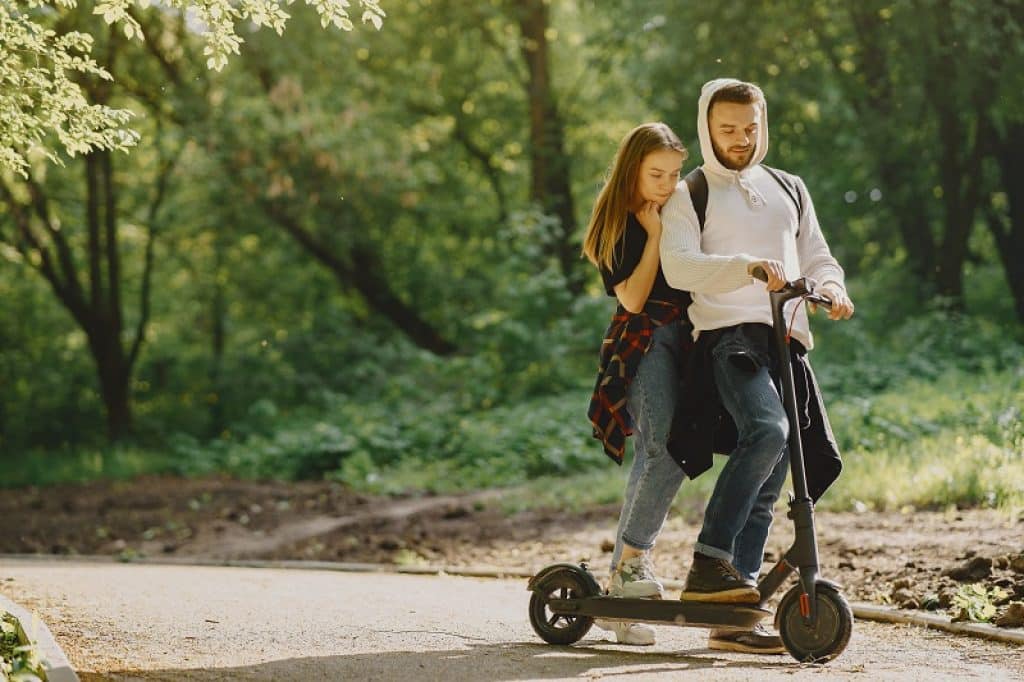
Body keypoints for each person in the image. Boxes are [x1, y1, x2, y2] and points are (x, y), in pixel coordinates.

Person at [658, 78, 855, 654]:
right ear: (707, 128)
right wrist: (746, 267)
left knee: (775, 471)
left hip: (786, 337)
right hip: (729, 336)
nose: (741, 140)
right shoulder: (690, 192)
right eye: (728, 130)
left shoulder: (789, 187)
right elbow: (680, 267)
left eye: (750, 128)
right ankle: (709, 562)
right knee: (768, 431)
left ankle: (732, 611)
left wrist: (832, 286)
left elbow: (816, 254)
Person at [583, 122, 690, 646]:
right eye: (656, 174)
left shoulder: (676, 207)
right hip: (643, 343)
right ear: (632, 169)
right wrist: (653, 237)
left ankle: (619, 589)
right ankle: (629, 572)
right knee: (661, 451)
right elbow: (632, 299)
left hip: (686, 341)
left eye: (674, 174)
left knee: (660, 453)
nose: (668, 185)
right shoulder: (619, 222)